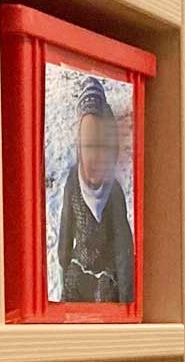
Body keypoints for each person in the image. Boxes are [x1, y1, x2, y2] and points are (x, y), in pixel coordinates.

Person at [53, 75, 134, 302]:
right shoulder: (72, 182)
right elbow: (66, 226)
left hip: (107, 275)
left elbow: (123, 250)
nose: (94, 157)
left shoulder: (114, 193)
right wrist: (64, 261)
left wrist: (127, 301)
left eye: (100, 147)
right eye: (88, 146)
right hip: (80, 266)